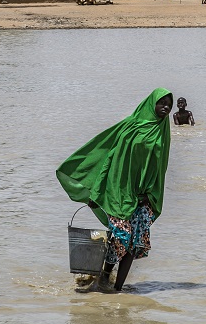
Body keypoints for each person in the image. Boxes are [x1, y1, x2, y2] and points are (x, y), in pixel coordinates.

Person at [57, 88, 173, 293]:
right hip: (119, 191)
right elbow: (110, 157)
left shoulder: (163, 130)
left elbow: (160, 166)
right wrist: (96, 191)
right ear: (151, 103)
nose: (166, 107)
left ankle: (117, 288)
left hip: (143, 197)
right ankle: (102, 278)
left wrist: (151, 193)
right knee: (121, 236)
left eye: (168, 104)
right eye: (162, 102)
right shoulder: (130, 126)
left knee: (134, 243)